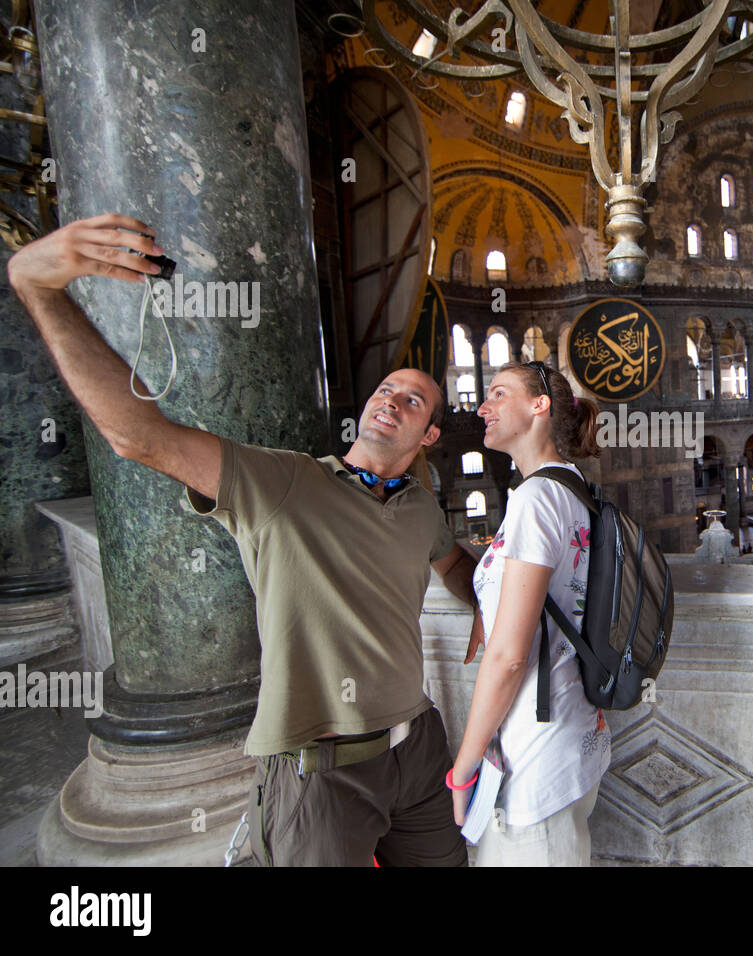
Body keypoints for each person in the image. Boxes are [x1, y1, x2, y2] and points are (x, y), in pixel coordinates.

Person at [8, 214, 480, 866]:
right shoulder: (284, 482)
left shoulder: (420, 508)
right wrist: (40, 288)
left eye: (414, 402)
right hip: (323, 769)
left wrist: (492, 594)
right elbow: (139, 436)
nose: (392, 401)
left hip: (421, 748)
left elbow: (454, 565)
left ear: (427, 436)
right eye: (387, 389)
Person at [449, 360, 611, 866]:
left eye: (498, 393)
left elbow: (509, 657)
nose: (482, 406)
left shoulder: (537, 497)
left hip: (533, 758)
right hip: (568, 734)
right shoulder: (573, 488)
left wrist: (464, 766)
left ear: (539, 406)